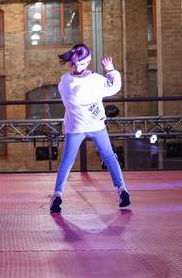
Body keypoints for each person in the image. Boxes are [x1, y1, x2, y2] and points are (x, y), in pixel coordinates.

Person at [50, 43, 130, 213]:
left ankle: (57, 193)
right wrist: (110, 69)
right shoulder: (96, 81)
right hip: (96, 125)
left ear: (72, 61)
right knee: (109, 157)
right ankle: (121, 188)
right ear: (89, 60)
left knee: (67, 161)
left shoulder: (64, 82)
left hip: (75, 127)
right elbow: (114, 86)